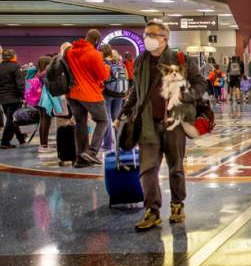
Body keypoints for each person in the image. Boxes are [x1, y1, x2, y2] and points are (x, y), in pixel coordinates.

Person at [121, 21, 207, 230]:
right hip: (147, 123)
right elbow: (136, 89)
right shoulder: (141, 60)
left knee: (176, 166)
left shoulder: (180, 59)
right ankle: (152, 210)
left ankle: (177, 204)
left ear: (164, 39)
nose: (146, 38)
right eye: (145, 34)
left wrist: (186, 95)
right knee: (147, 168)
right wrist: (125, 111)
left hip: (174, 123)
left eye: (151, 34)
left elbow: (201, 83)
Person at [65, 29, 110, 167]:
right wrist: (107, 67)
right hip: (90, 93)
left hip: (72, 94)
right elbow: (103, 76)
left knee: (81, 125)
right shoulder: (94, 54)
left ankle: (80, 159)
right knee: (103, 121)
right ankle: (92, 152)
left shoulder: (70, 52)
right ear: (96, 41)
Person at [101, 47, 129, 151]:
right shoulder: (121, 65)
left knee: (107, 117)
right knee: (117, 118)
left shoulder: (104, 63)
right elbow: (127, 77)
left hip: (107, 93)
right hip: (120, 94)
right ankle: (119, 143)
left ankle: (107, 144)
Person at [0, 49, 26, 149]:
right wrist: (24, 96)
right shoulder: (15, 67)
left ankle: (21, 138)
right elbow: (20, 84)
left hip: (3, 98)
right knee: (11, 120)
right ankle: (5, 142)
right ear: (13, 56)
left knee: (12, 120)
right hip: (14, 98)